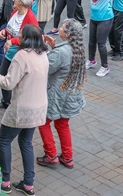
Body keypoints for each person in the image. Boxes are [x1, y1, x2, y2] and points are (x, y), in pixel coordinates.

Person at [0, 25, 49, 196]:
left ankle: (4, 181)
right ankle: (28, 184)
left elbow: (8, 83)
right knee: (26, 143)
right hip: (39, 107)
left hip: (22, 108)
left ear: (26, 38)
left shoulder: (21, 56)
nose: (17, 37)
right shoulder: (43, 54)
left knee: (3, 140)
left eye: (20, 35)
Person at [36, 19, 86, 169]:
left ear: (68, 33)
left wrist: (47, 49)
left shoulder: (61, 52)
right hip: (71, 93)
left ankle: (51, 155)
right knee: (62, 124)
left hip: (57, 95)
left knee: (43, 122)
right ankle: (67, 157)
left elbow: (46, 68)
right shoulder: (77, 49)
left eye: (62, 28)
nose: (59, 30)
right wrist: (53, 48)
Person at [0, 0, 38, 110]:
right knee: (3, 74)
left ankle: (19, 104)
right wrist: (4, 31)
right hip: (9, 53)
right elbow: (11, 27)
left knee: (19, 81)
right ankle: (6, 102)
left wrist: (12, 41)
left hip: (21, 55)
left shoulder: (30, 18)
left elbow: (30, 38)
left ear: (23, 2)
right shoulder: (15, 12)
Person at [84, 0, 116, 77]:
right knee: (91, 41)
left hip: (105, 18)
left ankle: (105, 66)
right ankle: (91, 60)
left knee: (101, 43)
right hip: (94, 18)